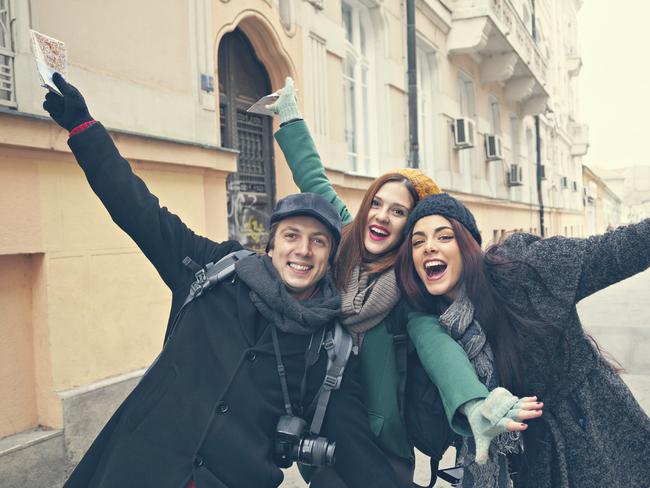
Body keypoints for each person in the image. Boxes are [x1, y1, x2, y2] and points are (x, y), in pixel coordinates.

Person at [43, 73, 403, 488]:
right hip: (137, 466)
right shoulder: (215, 270)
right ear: (271, 246)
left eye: (318, 242)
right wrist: (84, 129)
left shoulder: (328, 345)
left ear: (329, 257)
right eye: (291, 236)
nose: (302, 250)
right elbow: (139, 211)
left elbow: (356, 446)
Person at [267, 78, 542, 487]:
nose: (381, 216)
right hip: (322, 426)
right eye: (376, 203)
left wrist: (474, 403)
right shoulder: (344, 244)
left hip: (379, 445)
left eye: (398, 212)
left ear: (409, 228)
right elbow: (315, 180)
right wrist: (289, 117)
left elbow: (436, 345)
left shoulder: (406, 285)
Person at [396, 192, 650, 487]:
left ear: (468, 244)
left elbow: (614, 252)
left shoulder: (523, 273)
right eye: (418, 242)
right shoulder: (430, 327)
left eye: (444, 237)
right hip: (519, 470)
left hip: (594, 438)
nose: (428, 247)